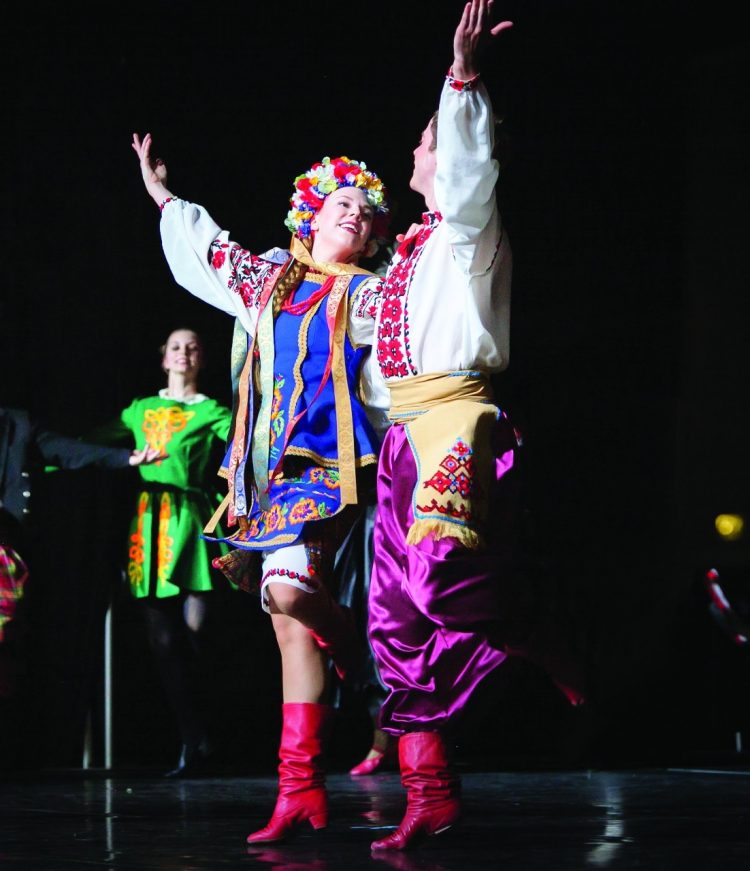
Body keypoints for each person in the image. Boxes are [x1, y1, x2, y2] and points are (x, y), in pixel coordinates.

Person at [131, 134, 391, 841]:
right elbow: (210, 250)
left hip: (328, 471)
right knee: (287, 628)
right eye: (342, 204)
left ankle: (364, 664)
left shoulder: (371, 295)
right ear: (309, 215)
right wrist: (161, 193)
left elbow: (411, 362)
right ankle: (300, 786)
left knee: (285, 590)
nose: (355, 217)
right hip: (262, 473)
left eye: (367, 214)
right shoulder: (269, 281)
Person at [366, 0, 531, 852]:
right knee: (393, 621)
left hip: (455, 423)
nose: (423, 148)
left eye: (435, 136)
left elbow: (470, 172)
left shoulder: (469, 232)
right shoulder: (409, 255)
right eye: (432, 134)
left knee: (437, 584)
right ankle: (428, 791)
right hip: (403, 435)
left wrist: (462, 82)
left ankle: (529, 626)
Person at [89, 327, 233, 776]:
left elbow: (248, 447)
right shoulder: (140, 410)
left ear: (201, 359)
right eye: (176, 346)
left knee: (193, 643)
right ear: (164, 358)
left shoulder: (212, 411)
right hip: (150, 525)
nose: (184, 353)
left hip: (191, 523)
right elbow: (91, 445)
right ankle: (195, 740)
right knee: (164, 642)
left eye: (193, 346)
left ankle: (202, 741)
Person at [0, 405, 160, 761]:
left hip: (3, 547)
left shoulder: (17, 424)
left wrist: (126, 458)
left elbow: (67, 450)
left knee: (5, 636)